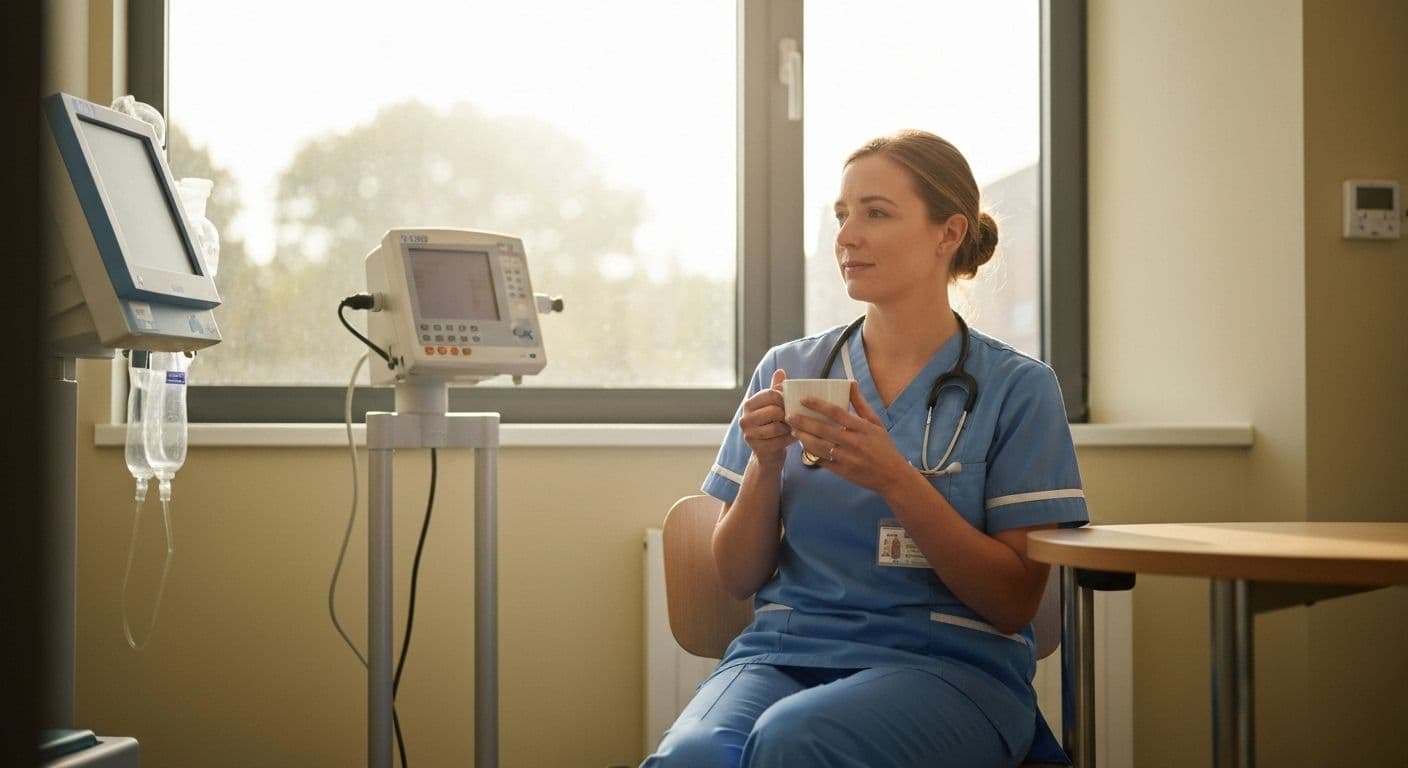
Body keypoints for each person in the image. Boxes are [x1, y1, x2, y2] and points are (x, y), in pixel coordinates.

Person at [641, 129, 1087, 768]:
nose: (847, 236)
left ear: (948, 233)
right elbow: (737, 577)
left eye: (875, 213)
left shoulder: (1018, 388)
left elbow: (1013, 601)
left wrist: (896, 478)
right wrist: (766, 468)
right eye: (842, 215)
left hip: (949, 665)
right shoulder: (790, 367)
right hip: (784, 653)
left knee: (797, 740)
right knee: (692, 757)